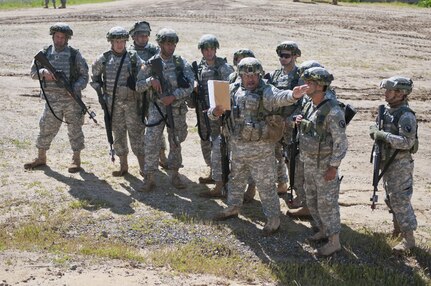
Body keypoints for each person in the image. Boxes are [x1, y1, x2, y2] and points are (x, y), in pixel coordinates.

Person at [210, 58, 306, 236]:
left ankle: (273, 220)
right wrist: (214, 112)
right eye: (247, 75)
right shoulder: (231, 90)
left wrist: (293, 95)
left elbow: (280, 98)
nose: (251, 79)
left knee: (266, 185)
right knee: (236, 180)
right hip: (237, 147)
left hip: (261, 150)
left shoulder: (266, 90)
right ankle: (233, 207)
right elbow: (213, 112)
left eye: (254, 75)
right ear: (240, 75)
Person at [296, 67, 348, 256]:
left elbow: (341, 143)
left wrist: (333, 167)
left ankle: (334, 241)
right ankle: (323, 230)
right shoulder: (310, 104)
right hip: (310, 163)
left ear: (320, 86)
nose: (305, 86)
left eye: (309, 83)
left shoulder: (333, 111)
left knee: (327, 204)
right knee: (312, 200)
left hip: (325, 167)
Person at [25, 23, 89, 173]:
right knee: (46, 127)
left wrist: (74, 88)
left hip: (71, 100)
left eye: (62, 37)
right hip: (51, 100)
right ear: (53, 37)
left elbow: (84, 76)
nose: (59, 40)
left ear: (67, 39)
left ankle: (76, 159)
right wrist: (42, 72)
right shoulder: (45, 53)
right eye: (57, 37)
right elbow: (33, 73)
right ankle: (41, 157)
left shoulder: (74, 55)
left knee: (75, 129)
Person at [136, 28, 194, 191]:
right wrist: (150, 81)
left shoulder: (180, 62)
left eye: (173, 44)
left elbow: (190, 86)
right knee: (151, 142)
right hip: (157, 109)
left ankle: (175, 174)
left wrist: (174, 96)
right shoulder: (150, 64)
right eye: (167, 44)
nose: (170, 47)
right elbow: (138, 86)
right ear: (160, 44)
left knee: (175, 141)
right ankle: (150, 177)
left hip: (176, 109)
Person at [369, 76, 417, 253]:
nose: (386, 94)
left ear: (401, 94)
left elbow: (407, 143)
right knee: (390, 199)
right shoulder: (387, 111)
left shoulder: (406, 116)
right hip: (386, 162)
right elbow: (379, 131)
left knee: (401, 201)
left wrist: (382, 136)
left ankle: (409, 239)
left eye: (390, 91)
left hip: (399, 165)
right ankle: (397, 230)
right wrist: (375, 133)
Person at [90, 26, 145, 177]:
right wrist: (102, 94)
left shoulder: (134, 58)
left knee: (137, 134)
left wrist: (135, 87)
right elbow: (94, 78)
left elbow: (143, 76)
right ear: (111, 42)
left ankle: (143, 167)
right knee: (119, 135)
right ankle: (123, 166)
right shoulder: (104, 59)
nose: (120, 44)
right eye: (117, 41)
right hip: (113, 105)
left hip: (132, 104)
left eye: (122, 41)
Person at [286, 60, 335, 218]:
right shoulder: (309, 96)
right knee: (302, 178)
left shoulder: (327, 99)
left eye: (308, 80)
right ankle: (307, 206)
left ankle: (321, 219)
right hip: (306, 145)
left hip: (320, 151)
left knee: (320, 188)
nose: (304, 83)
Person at [192, 34, 234, 197]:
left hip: (220, 114)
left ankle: (220, 183)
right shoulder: (199, 67)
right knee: (206, 142)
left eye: (211, 49)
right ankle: (212, 172)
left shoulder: (223, 67)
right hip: (204, 113)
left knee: (219, 147)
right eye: (205, 49)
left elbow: (231, 88)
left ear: (215, 50)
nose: (209, 52)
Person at [264, 41, 304, 197]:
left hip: (291, 125)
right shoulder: (275, 75)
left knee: (291, 159)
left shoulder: (300, 76)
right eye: (280, 55)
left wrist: (292, 119)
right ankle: (281, 183)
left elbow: (303, 102)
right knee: (276, 155)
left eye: (286, 55)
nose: (283, 58)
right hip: (275, 123)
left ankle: (297, 191)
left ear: (295, 56)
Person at [128, 21, 168, 169]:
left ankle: (162, 156)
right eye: (140, 35)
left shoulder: (155, 51)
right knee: (138, 130)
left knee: (156, 127)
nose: (143, 38)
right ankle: (143, 163)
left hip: (153, 97)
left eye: (146, 35)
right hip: (135, 97)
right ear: (133, 36)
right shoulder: (129, 53)